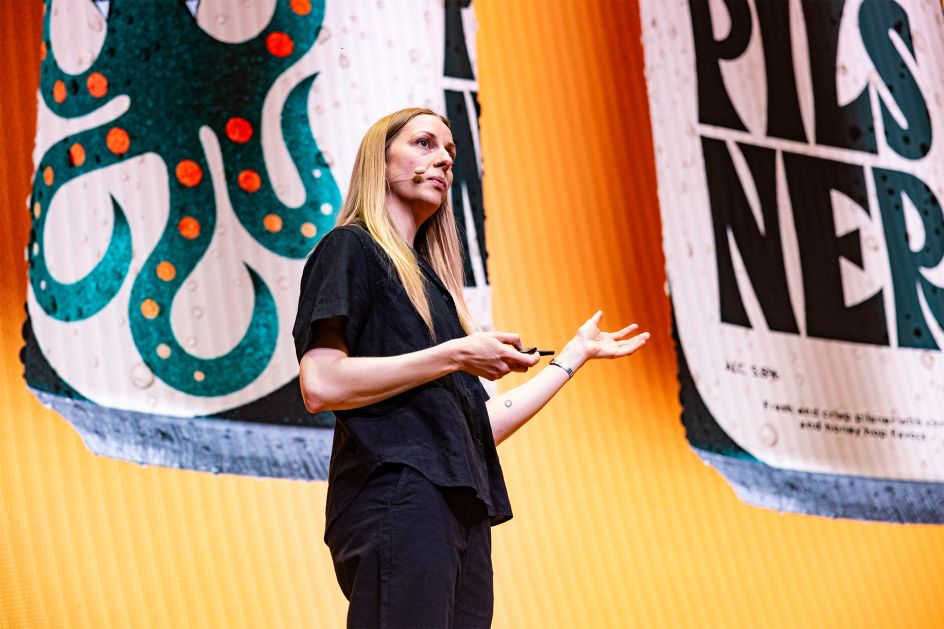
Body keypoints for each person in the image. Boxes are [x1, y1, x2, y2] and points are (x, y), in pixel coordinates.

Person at [293, 107, 649, 628]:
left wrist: (571, 359)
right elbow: (321, 384)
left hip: (460, 511)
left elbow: (476, 428)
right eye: (424, 143)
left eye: (450, 152)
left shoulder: (436, 292)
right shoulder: (352, 247)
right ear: (379, 158)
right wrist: (457, 354)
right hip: (400, 494)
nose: (442, 159)